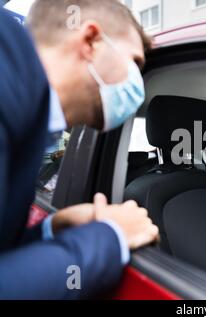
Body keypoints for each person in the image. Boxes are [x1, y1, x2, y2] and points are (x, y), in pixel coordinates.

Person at [0, 0, 159, 299]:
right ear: (90, 41)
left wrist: (53, 227)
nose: (138, 83)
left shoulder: (31, 118)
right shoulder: (7, 74)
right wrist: (111, 237)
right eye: (135, 63)